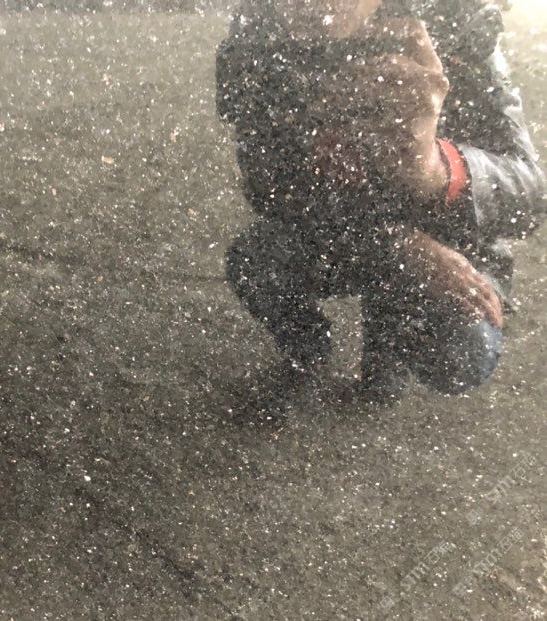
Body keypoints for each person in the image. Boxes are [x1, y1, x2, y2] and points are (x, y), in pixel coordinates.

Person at [216, 0, 546, 403]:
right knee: (257, 265)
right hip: (340, 230)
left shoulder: (455, 19)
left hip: (446, 235)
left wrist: (437, 169)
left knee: (461, 350)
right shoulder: (259, 31)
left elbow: (530, 193)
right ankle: (308, 351)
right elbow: (265, 186)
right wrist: (397, 244)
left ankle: (388, 349)